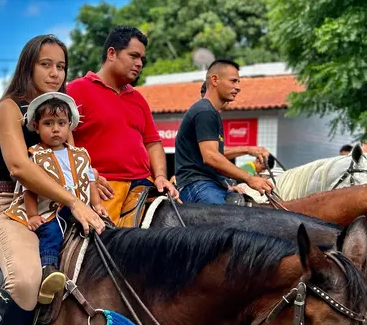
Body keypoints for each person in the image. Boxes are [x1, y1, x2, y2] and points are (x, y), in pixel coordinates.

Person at [0, 34, 104, 325]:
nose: (55, 73)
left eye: (61, 66)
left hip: (64, 205)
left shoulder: (61, 113)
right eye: (46, 65)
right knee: (27, 281)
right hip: (12, 207)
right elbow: (19, 166)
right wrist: (74, 202)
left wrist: (94, 183)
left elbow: (72, 160)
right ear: (28, 66)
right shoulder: (8, 109)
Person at [67, 26, 178, 224]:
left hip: (144, 187)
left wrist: (161, 176)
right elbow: (61, 144)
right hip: (104, 187)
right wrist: (86, 177)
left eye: (142, 59)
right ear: (111, 53)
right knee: (107, 248)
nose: (139, 64)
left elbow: (153, 143)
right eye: (134, 56)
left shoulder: (138, 98)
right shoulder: (75, 91)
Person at [5, 93, 107, 283]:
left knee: (104, 226)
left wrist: (97, 203)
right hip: (50, 211)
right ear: (36, 127)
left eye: (61, 123)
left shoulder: (81, 154)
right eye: (48, 123)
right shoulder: (35, 155)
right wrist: (33, 215)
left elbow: (90, 180)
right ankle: (48, 269)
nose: (55, 129)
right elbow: (30, 189)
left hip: (81, 208)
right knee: (50, 232)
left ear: (69, 126)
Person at [175, 60, 273, 204]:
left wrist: (224, 184)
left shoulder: (210, 112)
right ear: (215, 80)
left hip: (209, 183)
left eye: (238, 82)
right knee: (227, 224)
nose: (238, 87)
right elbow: (211, 156)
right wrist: (250, 178)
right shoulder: (205, 111)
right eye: (233, 81)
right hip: (197, 185)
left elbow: (216, 153)